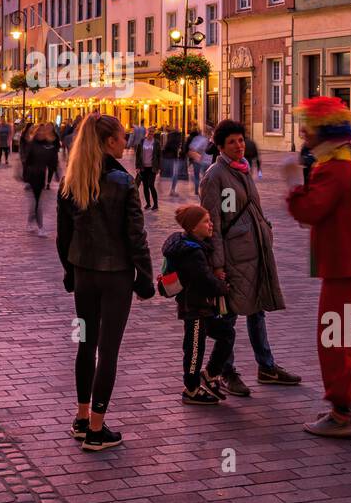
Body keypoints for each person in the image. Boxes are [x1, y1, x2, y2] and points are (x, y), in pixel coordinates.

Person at [283, 97, 351, 438]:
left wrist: (292, 184)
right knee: (348, 335)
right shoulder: (349, 162)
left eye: (309, 129)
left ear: (324, 132)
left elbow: (309, 210)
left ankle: (341, 411)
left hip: (347, 265)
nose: (303, 134)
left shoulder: (333, 169)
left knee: (334, 339)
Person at [55, 114, 155, 452]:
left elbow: (63, 237)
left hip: (84, 274)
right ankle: (97, 429)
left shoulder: (72, 180)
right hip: (115, 277)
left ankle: (82, 418)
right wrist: (144, 276)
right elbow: (135, 236)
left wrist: (69, 272)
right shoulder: (123, 182)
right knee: (107, 350)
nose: (126, 142)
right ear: (108, 142)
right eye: (122, 136)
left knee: (85, 343)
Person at [199, 119, 302, 396]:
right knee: (228, 317)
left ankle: (266, 366)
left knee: (257, 311)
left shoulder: (242, 171)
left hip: (255, 254)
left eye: (241, 140)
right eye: (231, 142)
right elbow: (213, 224)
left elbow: (250, 211)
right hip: (233, 259)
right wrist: (218, 264)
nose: (239, 145)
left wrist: (265, 230)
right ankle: (226, 371)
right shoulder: (215, 176)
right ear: (220, 146)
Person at [163, 204, 234, 405]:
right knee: (194, 349)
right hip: (193, 308)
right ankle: (191, 389)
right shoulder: (191, 252)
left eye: (210, 220)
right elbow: (204, 280)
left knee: (226, 333)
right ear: (194, 227)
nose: (211, 225)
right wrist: (222, 286)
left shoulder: (198, 245)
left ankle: (210, 374)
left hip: (203, 307)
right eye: (206, 221)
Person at [22, 123, 59, 236]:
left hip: (41, 175)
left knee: (36, 202)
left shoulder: (49, 145)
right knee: (38, 201)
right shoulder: (32, 144)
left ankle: (31, 221)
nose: (42, 133)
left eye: (44, 132)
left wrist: (57, 173)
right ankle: (40, 227)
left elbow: (52, 161)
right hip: (32, 175)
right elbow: (26, 161)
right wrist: (25, 175)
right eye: (40, 132)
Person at [132, 127, 161, 210]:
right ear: (146, 132)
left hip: (152, 168)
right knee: (145, 186)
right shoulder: (142, 142)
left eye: (152, 132)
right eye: (149, 132)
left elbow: (159, 156)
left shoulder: (156, 143)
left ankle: (155, 204)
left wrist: (159, 167)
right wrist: (137, 167)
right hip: (143, 167)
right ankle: (148, 203)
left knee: (151, 185)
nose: (151, 133)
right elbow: (138, 155)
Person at [187, 125, 212, 196]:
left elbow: (194, 148)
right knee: (204, 177)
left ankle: (198, 190)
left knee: (198, 176)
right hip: (208, 161)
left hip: (202, 161)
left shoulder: (201, 139)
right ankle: (203, 190)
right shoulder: (211, 140)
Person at [164, 126, 187, 197]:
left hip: (173, 157)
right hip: (177, 157)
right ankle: (172, 190)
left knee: (175, 173)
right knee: (175, 173)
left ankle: (172, 189)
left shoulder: (171, 136)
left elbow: (166, 147)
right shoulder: (179, 136)